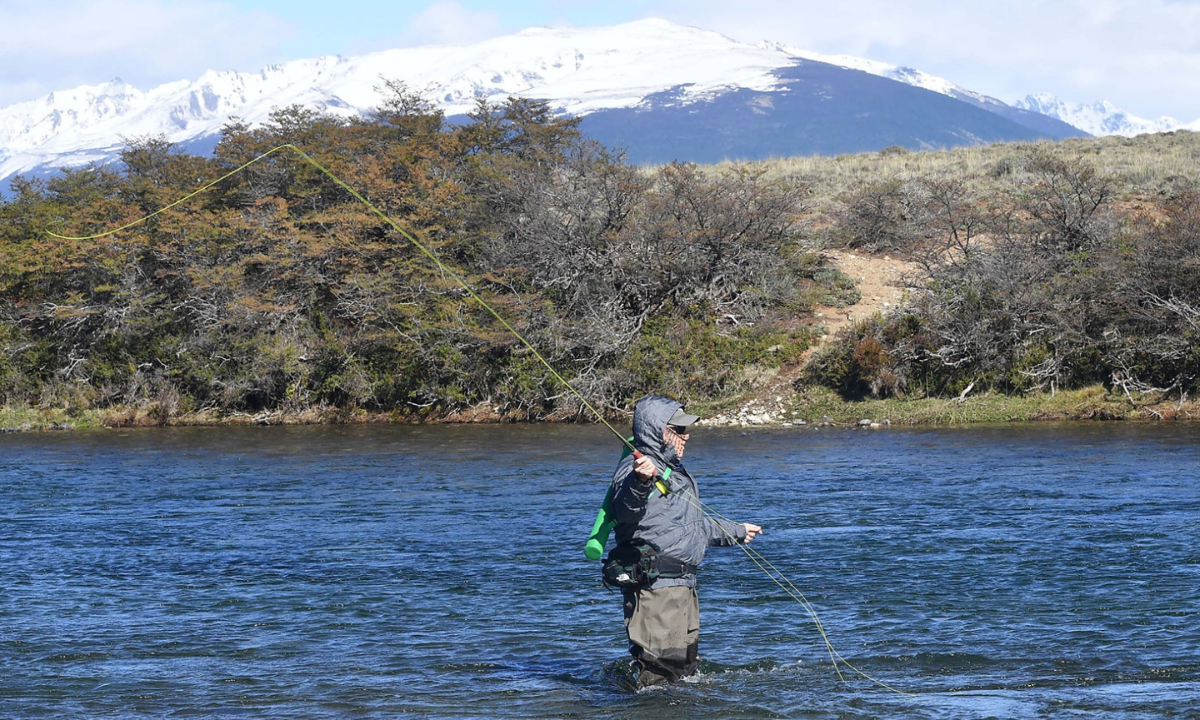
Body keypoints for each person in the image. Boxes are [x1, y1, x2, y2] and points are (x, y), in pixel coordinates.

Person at [607, 395, 762, 687]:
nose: (686, 436)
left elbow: (692, 528)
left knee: (684, 670)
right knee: (659, 675)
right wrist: (640, 482)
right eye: (678, 430)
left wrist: (738, 531)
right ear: (658, 431)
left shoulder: (674, 473)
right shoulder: (634, 469)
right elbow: (625, 510)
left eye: (685, 429)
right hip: (657, 590)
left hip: (683, 588)